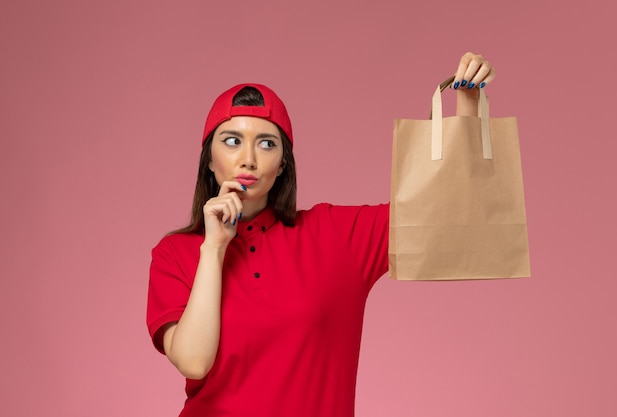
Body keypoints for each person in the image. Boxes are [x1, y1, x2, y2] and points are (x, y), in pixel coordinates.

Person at [147, 52, 496, 416]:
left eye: (267, 143)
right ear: (208, 158)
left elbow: (443, 212)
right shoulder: (176, 254)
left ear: (282, 163)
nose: (248, 158)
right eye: (232, 141)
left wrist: (467, 105)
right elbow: (193, 362)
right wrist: (215, 247)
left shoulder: (336, 236)